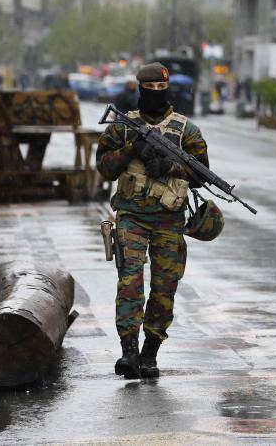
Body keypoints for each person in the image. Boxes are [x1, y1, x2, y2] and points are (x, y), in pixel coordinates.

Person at [96, 62, 209, 379]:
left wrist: (169, 167)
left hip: (169, 220)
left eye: (162, 89)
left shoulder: (186, 130)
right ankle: (129, 352)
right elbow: (104, 166)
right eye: (150, 89)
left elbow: (202, 174)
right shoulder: (122, 126)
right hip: (131, 215)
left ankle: (150, 353)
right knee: (129, 284)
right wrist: (133, 148)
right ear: (140, 89)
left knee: (165, 288)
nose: (156, 94)